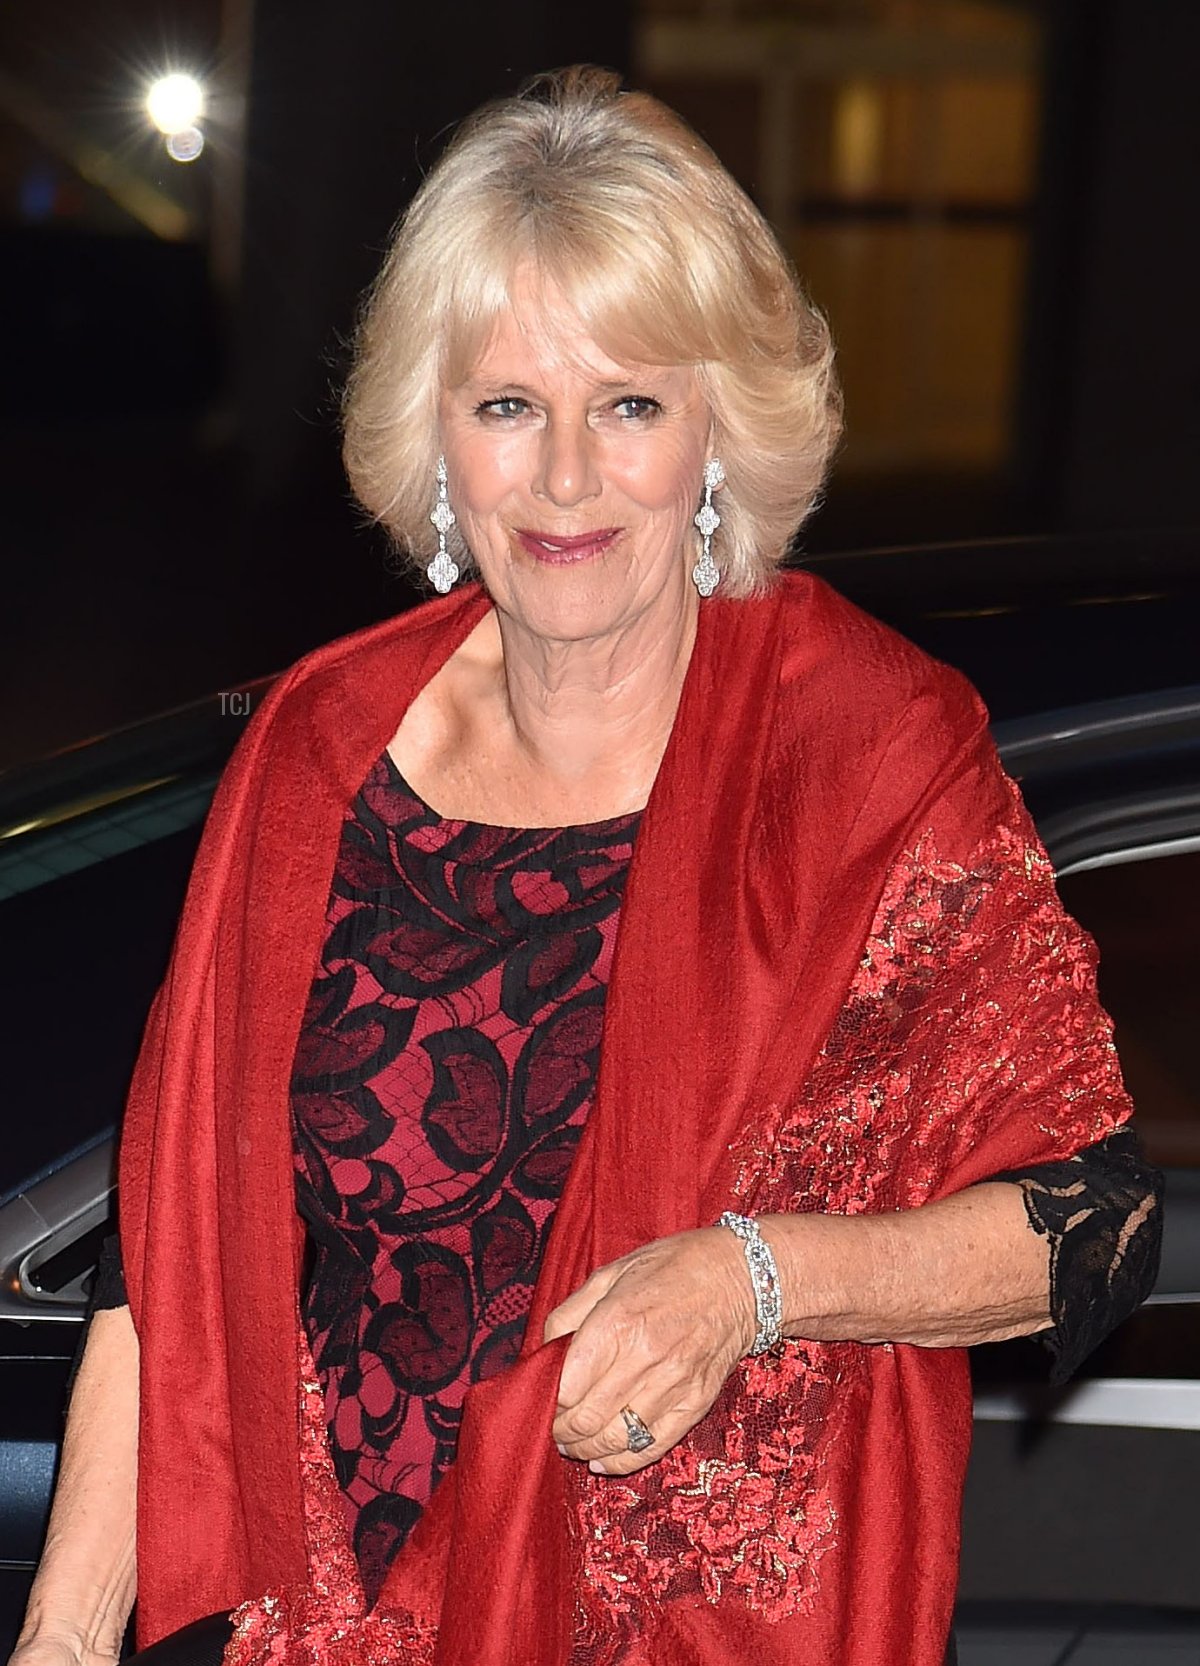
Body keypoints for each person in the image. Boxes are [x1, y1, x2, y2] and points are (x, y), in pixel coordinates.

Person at [12, 66, 1162, 1666]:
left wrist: (753, 1282)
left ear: (714, 434)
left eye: (629, 404)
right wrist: (62, 1639)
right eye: (507, 406)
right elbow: (173, 1264)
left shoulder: (868, 761)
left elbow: (1092, 1219)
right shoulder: (318, 751)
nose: (564, 478)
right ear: (435, 441)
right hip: (332, 1633)